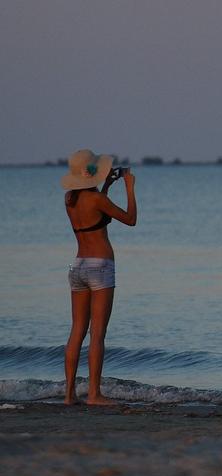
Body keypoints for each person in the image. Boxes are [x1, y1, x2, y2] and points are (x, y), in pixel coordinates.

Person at [61, 149, 137, 405]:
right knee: (98, 333)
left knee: (77, 330)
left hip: (79, 265)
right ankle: (94, 394)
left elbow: (96, 215)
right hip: (101, 266)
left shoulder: (70, 199)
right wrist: (129, 186)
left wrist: (106, 185)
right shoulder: (96, 200)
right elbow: (130, 219)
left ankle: (69, 394)